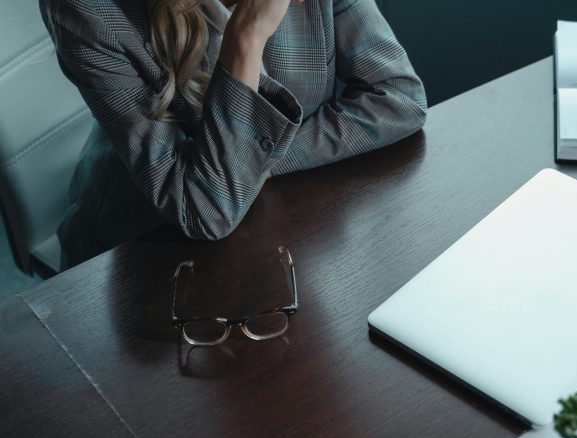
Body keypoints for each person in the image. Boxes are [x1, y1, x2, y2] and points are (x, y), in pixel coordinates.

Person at [41, 0, 427, 269]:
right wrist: (248, 35)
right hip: (143, 249)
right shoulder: (87, 8)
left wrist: (263, 165)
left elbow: (398, 97)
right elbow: (204, 209)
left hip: (278, 232)